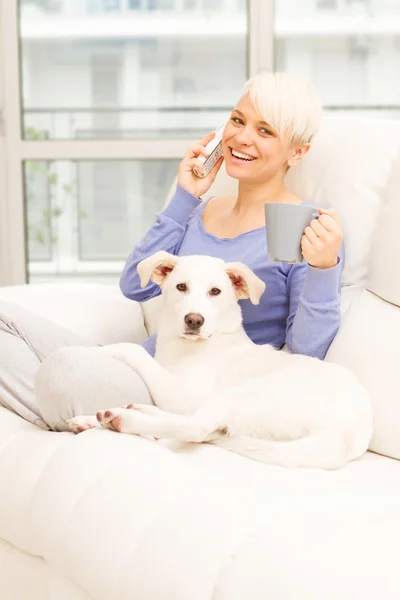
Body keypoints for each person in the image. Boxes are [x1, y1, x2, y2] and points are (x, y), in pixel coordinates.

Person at [0, 71, 343, 432]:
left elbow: (307, 354)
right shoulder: (202, 209)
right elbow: (135, 285)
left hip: (190, 391)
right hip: (146, 362)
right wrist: (186, 196)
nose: (242, 137)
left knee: (63, 372)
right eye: (238, 121)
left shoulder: (302, 228)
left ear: (298, 151)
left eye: (265, 131)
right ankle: (59, 411)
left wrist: (324, 268)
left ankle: (67, 406)